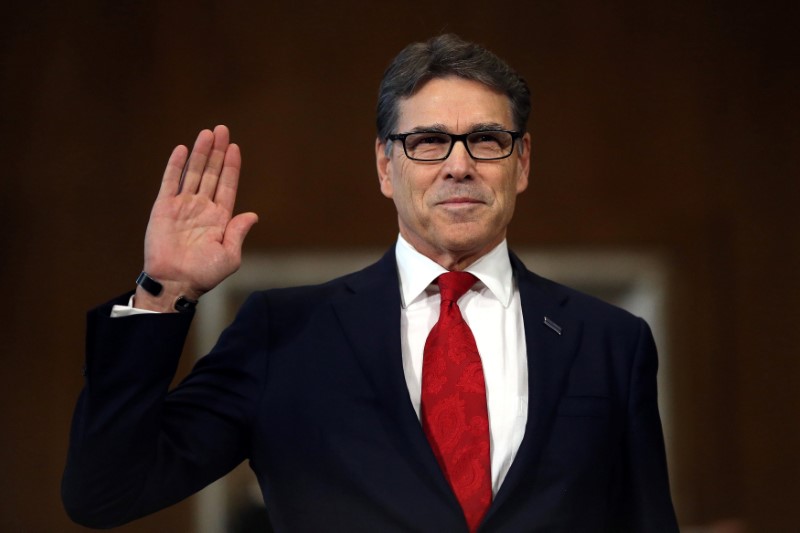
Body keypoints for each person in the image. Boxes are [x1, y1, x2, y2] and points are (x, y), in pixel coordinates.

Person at [62, 34, 679, 532]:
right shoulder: (284, 337)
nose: (458, 165)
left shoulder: (610, 342)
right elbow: (106, 492)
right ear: (387, 166)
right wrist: (164, 288)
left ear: (521, 164)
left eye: (486, 141)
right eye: (429, 142)